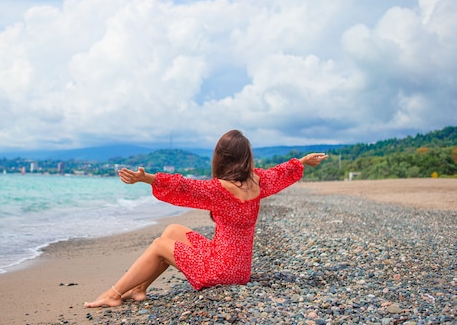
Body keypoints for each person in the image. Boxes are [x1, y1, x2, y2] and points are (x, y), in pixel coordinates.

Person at [84, 129, 328, 308]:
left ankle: (114, 294)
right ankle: (138, 288)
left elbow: (184, 186)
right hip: (239, 269)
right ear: (246, 156)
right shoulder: (258, 180)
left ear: (221, 157)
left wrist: (145, 177)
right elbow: (280, 172)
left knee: (160, 245)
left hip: (221, 270)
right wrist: (302, 161)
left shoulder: (219, 189)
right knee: (172, 230)